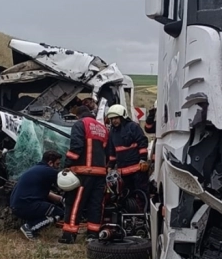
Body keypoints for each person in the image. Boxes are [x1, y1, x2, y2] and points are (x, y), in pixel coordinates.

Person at [59, 107, 110, 244]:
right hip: (100, 173)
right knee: (96, 204)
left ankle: (69, 235)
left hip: (83, 173)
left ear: (78, 115)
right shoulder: (103, 128)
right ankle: (93, 234)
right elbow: (108, 152)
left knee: (75, 203)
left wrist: (67, 164)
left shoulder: (80, 124)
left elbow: (76, 146)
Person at [10, 150, 65, 240]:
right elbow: (66, 181)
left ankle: (31, 225)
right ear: (50, 163)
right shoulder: (49, 171)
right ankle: (30, 228)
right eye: (57, 164)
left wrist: (60, 199)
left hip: (17, 205)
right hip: (26, 205)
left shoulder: (37, 169)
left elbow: (43, 193)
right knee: (58, 213)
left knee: (48, 207)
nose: (58, 167)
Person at [106, 104, 149, 207]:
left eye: (116, 118)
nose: (114, 121)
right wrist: (110, 166)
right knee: (126, 195)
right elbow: (112, 151)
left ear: (122, 117)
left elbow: (142, 143)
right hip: (123, 172)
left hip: (137, 170)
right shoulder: (112, 132)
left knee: (141, 193)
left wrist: (143, 159)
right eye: (112, 119)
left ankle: (144, 214)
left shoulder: (133, 127)